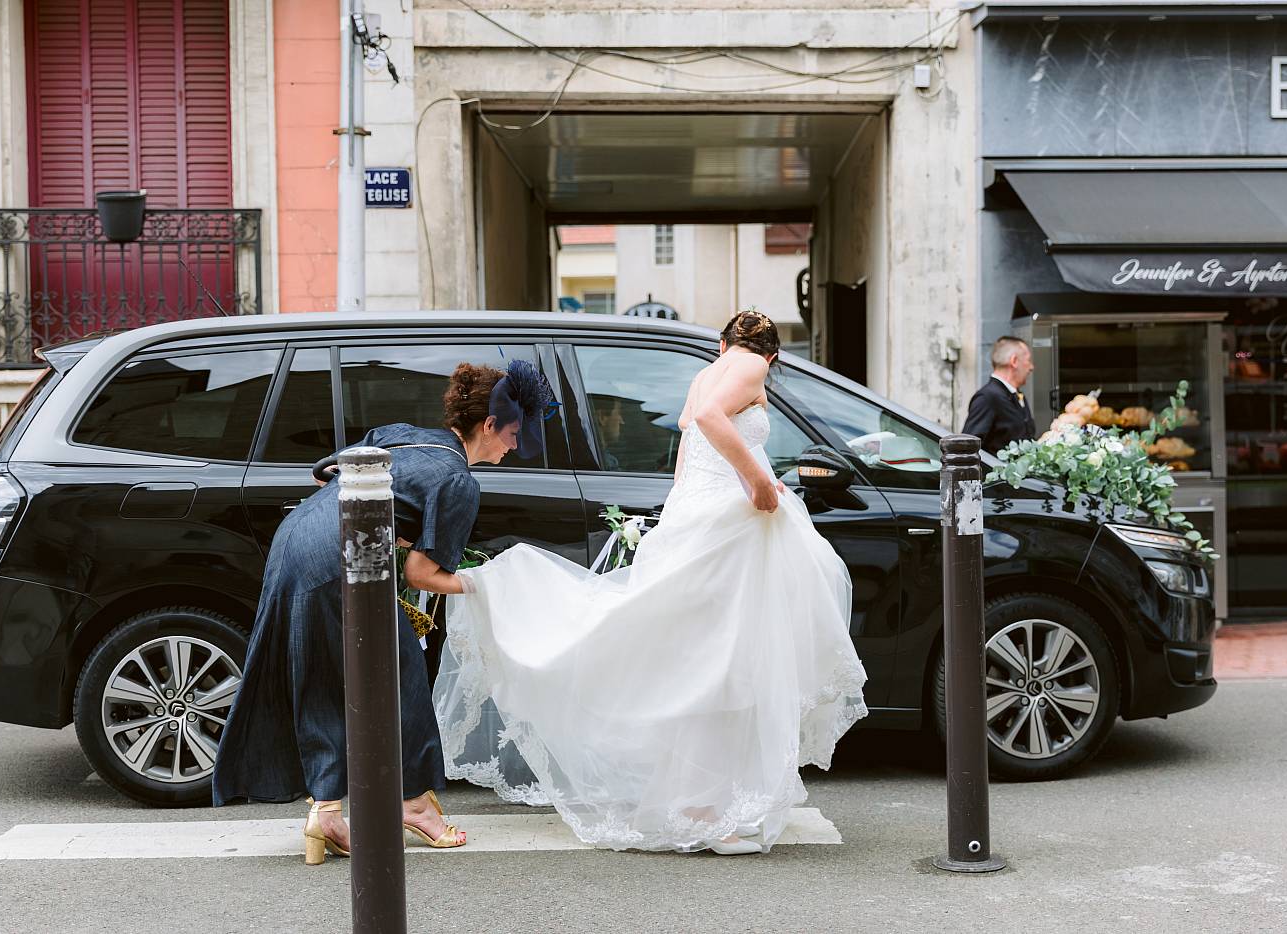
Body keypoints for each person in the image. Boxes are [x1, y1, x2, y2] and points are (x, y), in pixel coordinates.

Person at [434, 311, 868, 856]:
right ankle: (707, 813)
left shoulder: (707, 372)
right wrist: (759, 481)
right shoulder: (753, 366)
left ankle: (701, 806)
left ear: (720, 343)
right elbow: (709, 419)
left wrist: (687, 511)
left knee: (705, 667)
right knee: (722, 668)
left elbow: (690, 443)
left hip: (706, 519)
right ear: (771, 355)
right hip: (730, 527)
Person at [212, 359, 554, 864]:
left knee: (324, 675)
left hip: (298, 538)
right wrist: (486, 585)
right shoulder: (459, 481)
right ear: (489, 425)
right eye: (514, 434)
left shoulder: (408, 435)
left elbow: (328, 471)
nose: (514, 446)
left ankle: (327, 812)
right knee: (400, 675)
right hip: (342, 560)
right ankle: (413, 805)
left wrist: (388, 528)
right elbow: (421, 574)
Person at [962, 335, 1037, 455]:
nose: (1031, 367)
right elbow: (968, 449)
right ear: (1014, 361)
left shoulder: (1016, 395)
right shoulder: (987, 398)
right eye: (1028, 360)